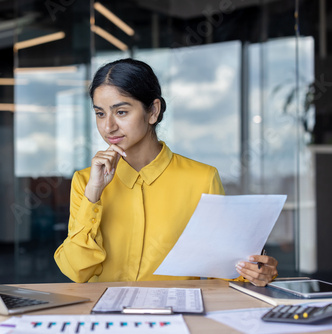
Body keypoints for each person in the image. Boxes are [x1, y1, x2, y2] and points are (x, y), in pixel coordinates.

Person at [53, 58, 278, 286]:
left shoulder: (202, 179)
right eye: (100, 114)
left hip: (177, 314)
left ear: (153, 111)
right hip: (104, 315)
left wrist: (254, 273)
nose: (108, 126)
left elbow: (223, 271)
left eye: (121, 112)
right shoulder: (86, 181)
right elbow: (76, 270)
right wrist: (93, 195)